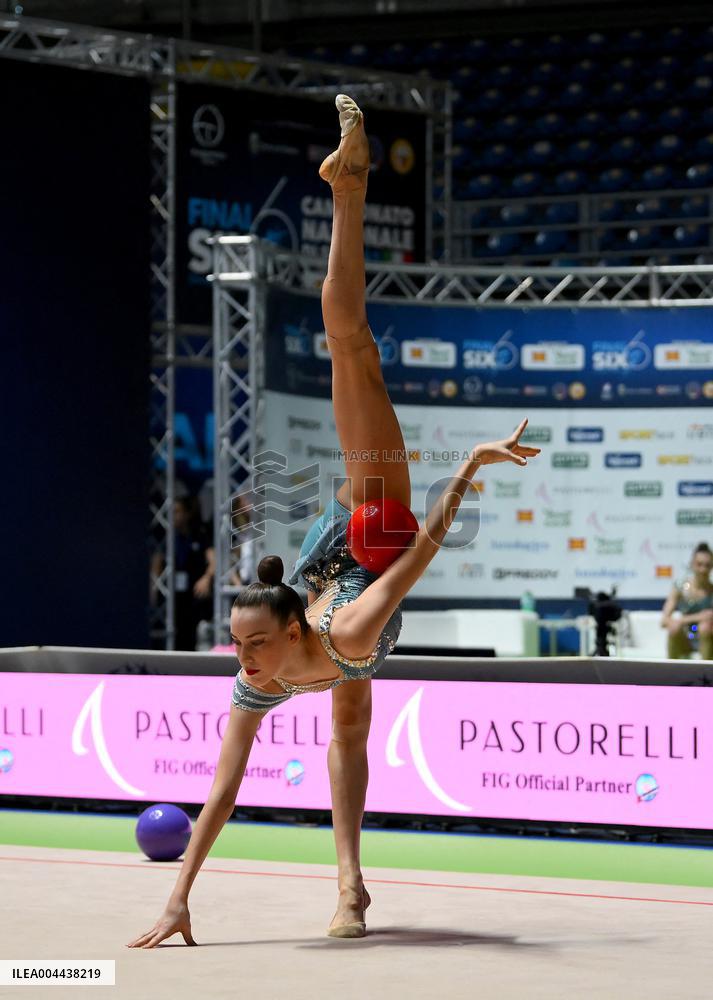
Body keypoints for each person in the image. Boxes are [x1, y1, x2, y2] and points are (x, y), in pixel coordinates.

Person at [127, 94, 540, 950]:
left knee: (350, 343)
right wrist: (177, 898)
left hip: (371, 534)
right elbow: (221, 793)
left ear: (280, 630)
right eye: (239, 647)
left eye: (248, 644)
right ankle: (351, 886)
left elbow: (414, 553)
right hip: (351, 578)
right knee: (348, 723)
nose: (239, 661)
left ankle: (347, 186)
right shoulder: (281, 664)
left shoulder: (339, 628)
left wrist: (461, 472)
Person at [660, 541, 713, 660]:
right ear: (692, 564)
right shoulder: (680, 588)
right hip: (685, 639)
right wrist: (698, 617)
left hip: (708, 639)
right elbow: (664, 621)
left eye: (707, 565)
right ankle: (671, 673)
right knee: (674, 627)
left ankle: (707, 674)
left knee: (705, 627)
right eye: (699, 564)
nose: (703, 569)